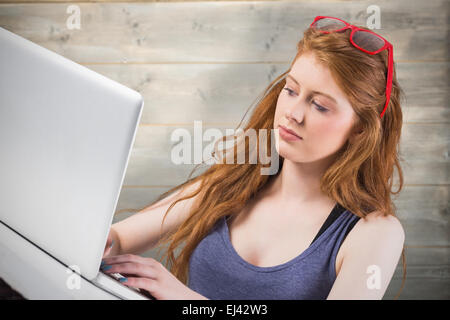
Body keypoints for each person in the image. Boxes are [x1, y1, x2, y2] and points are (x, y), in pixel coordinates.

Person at [100, 17, 407, 300]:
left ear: (361, 129)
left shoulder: (374, 233)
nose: (293, 113)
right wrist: (104, 240)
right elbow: (120, 239)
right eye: (290, 90)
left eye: (320, 106)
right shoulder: (232, 183)